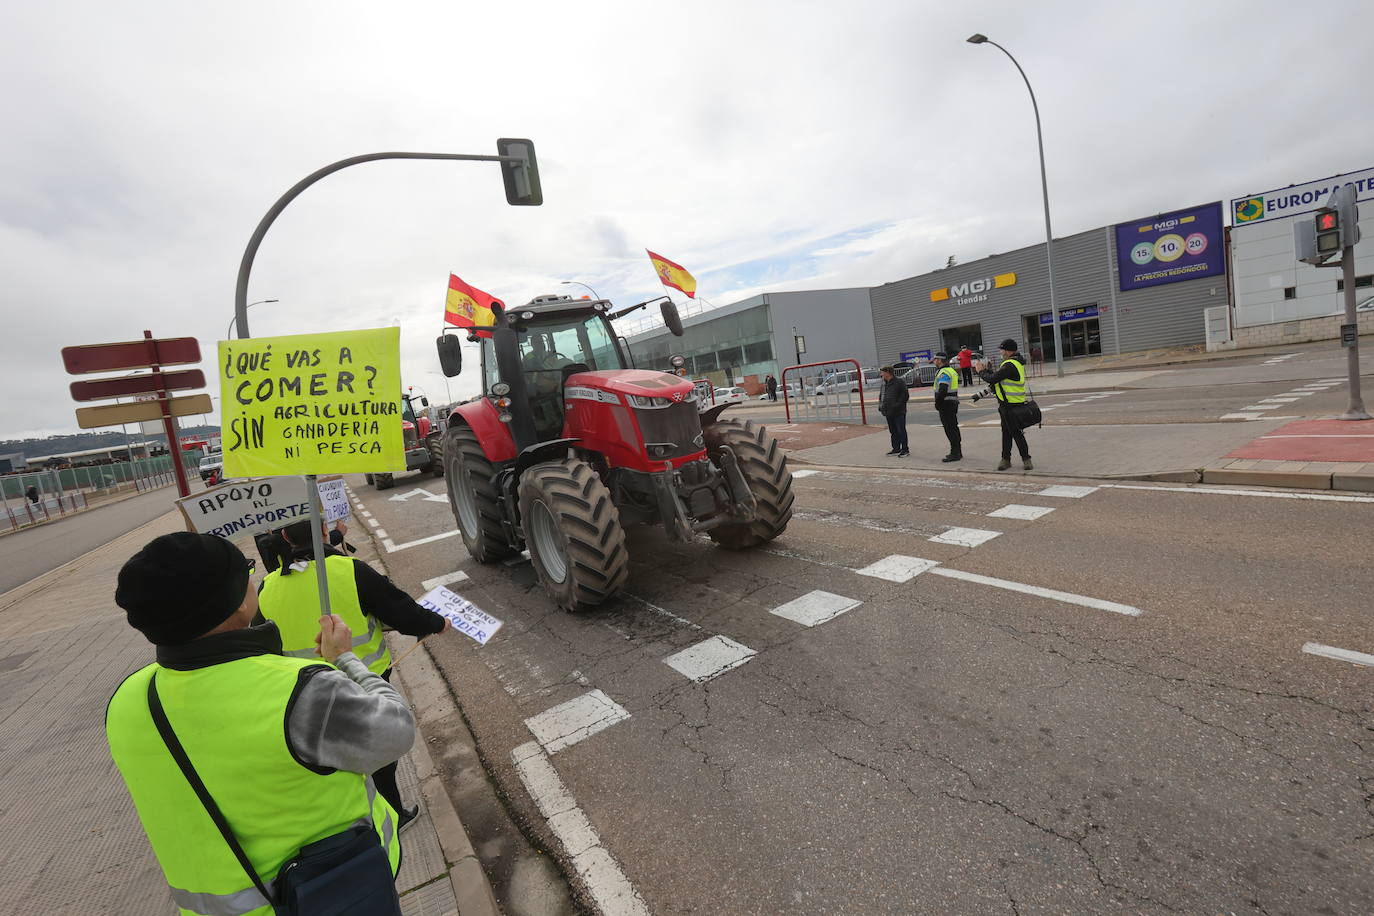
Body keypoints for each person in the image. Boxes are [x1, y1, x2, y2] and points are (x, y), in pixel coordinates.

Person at [106, 532, 409, 914]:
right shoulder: (299, 688)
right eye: (247, 570)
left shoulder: (128, 698)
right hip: (335, 895)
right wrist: (346, 659)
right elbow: (396, 731)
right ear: (236, 603)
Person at [257, 517, 449, 827]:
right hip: (363, 679)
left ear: (284, 537)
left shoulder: (267, 587)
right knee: (377, 753)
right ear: (324, 531)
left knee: (333, 758)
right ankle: (392, 813)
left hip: (305, 690)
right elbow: (399, 609)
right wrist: (436, 623)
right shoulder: (351, 570)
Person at [977, 338, 1033, 471]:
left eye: (1002, 349)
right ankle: (1006, 459)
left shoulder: (1010, 364)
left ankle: (1026, 459)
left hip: (1010, 406)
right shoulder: (1015, 363)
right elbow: (999, 378)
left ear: (1008, 351)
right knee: (1007, 433)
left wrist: (980, 371)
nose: (1000, 352)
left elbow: (992, 379)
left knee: (1015, 433)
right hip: (1010, 404)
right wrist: (988, 371)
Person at [932, 352, 961, 462]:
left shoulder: (943, 372)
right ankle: (958, 451)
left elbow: (943, 389)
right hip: (952, 403)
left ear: (939, 360)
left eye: (935, 359)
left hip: (946, 404)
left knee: (950, 429)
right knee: (954, 428)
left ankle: (955, 453)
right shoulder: (950, 370)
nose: (934, 362)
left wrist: (937, 403)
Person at [877, 365, 909, 457]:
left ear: (888, 372)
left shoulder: (899, 382)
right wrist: (881, 406)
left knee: (901, 430)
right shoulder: (884, 383)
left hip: (898, 411)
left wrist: (897, 405)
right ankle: (896, 448)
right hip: (888, 411)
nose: (881, 374)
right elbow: (881, 396)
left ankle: (905, 449)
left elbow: (905, 396)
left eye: (882, 372)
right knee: (893, 431)